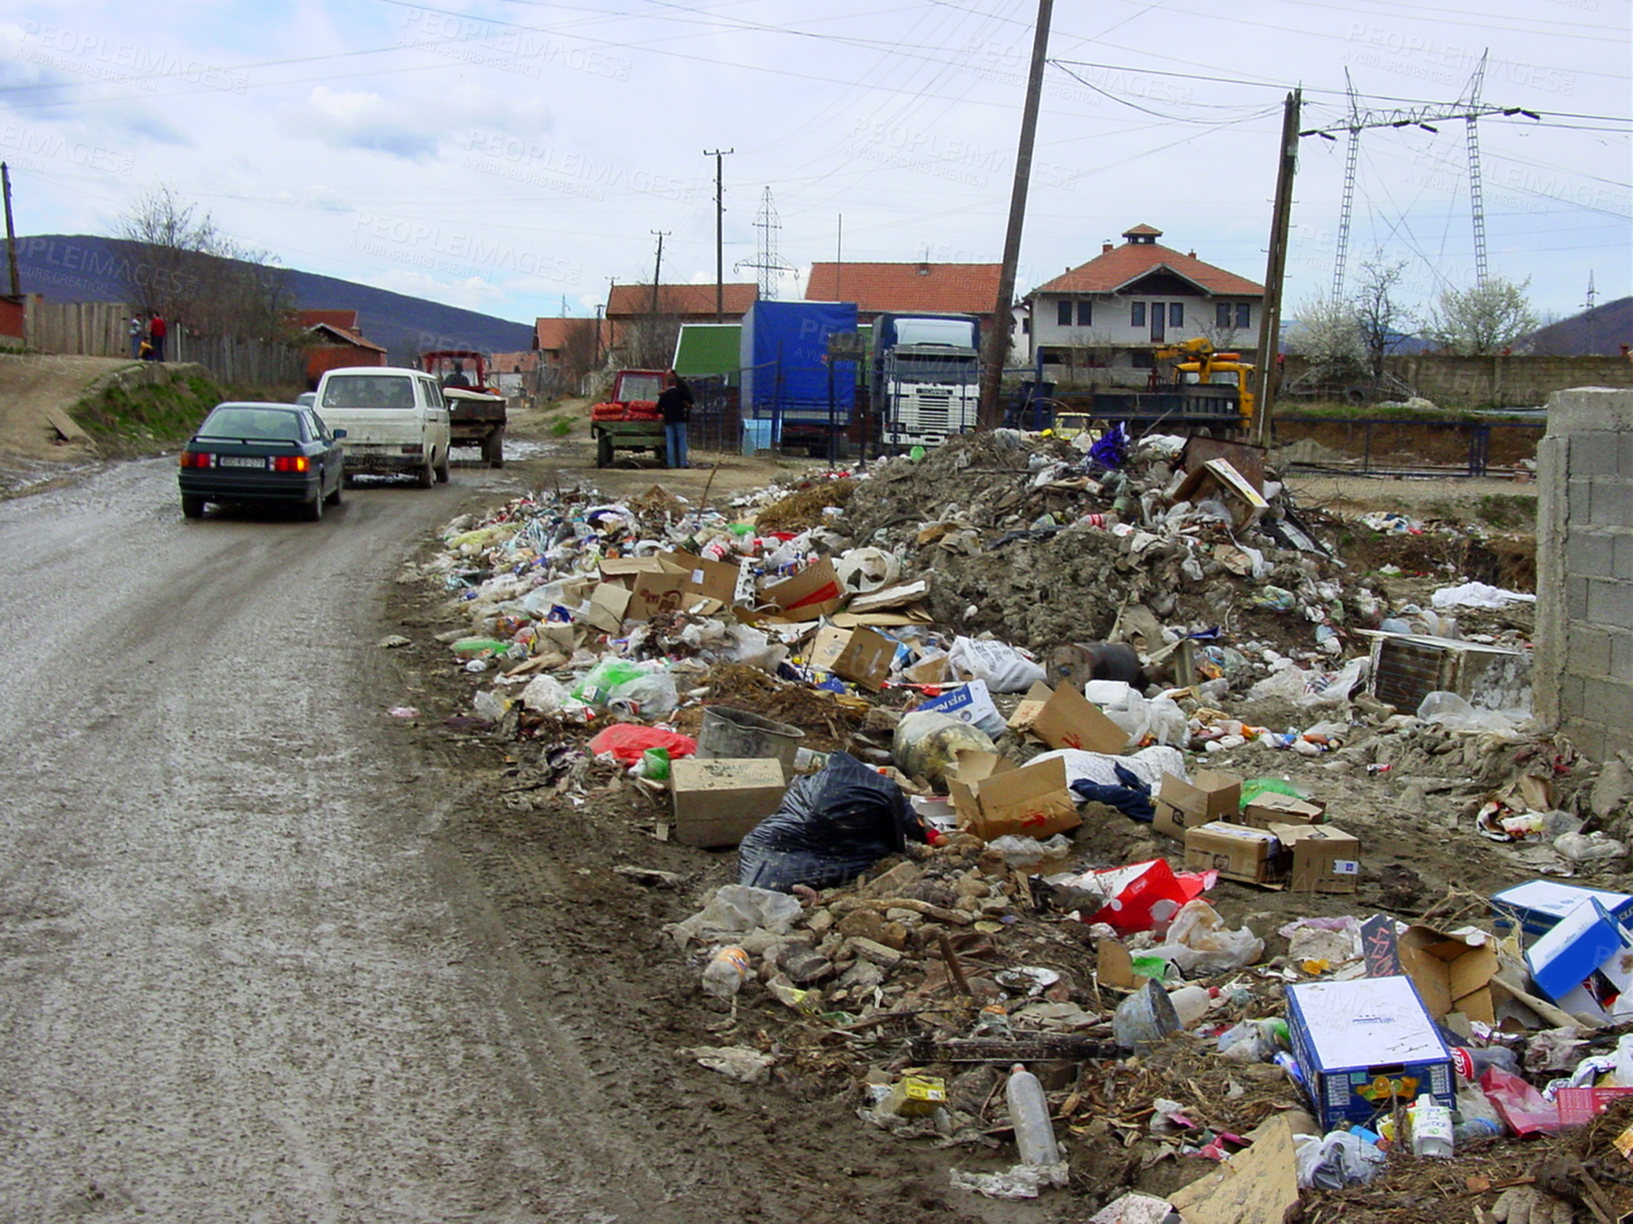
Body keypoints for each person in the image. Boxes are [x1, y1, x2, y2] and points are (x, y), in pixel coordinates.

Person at [657, 373, 694, 469]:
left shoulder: (664, 395)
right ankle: (683, 463)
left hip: (668, 420)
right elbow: (690, 399)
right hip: (680, 419)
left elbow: (658, 408)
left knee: (670, 442)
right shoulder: (680, 392)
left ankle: (671, 464)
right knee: (682, 441)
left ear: (667, 384)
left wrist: (664, 412)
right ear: (675, 383)